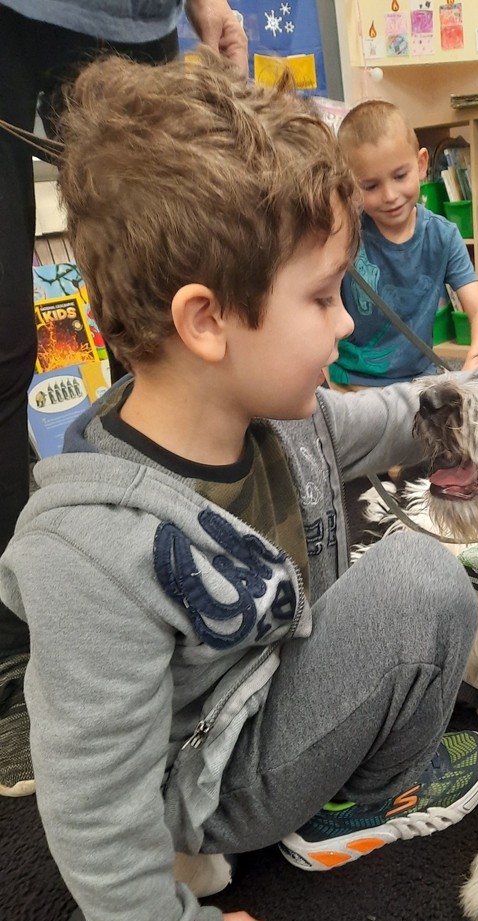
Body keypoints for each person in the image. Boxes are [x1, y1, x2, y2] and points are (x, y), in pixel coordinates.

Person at [0, 52, 478, 921]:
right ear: (206, 321)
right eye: (320, 297)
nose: (345, 318)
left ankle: (328, 782)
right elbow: (88, 790)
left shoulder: (274, 414)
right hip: (215, 780)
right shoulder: (91, 549)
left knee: (418, 560)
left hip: (270, 692)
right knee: (423, 581)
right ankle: (358, 805)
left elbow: (381, 420)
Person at [0, 0, 248, 798]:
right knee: (4, 344)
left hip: (130, 17)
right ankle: (13, 655)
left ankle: (191, 590)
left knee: (161, 323)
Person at [328, 99, 478, 388]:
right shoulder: (343, 234)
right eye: (370, 186)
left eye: (400, 176)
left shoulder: (443, 236)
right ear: (351, 186)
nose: (390, 195)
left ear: (421, 165)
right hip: (352, 384)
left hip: (420, 384)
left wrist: (473, 368)